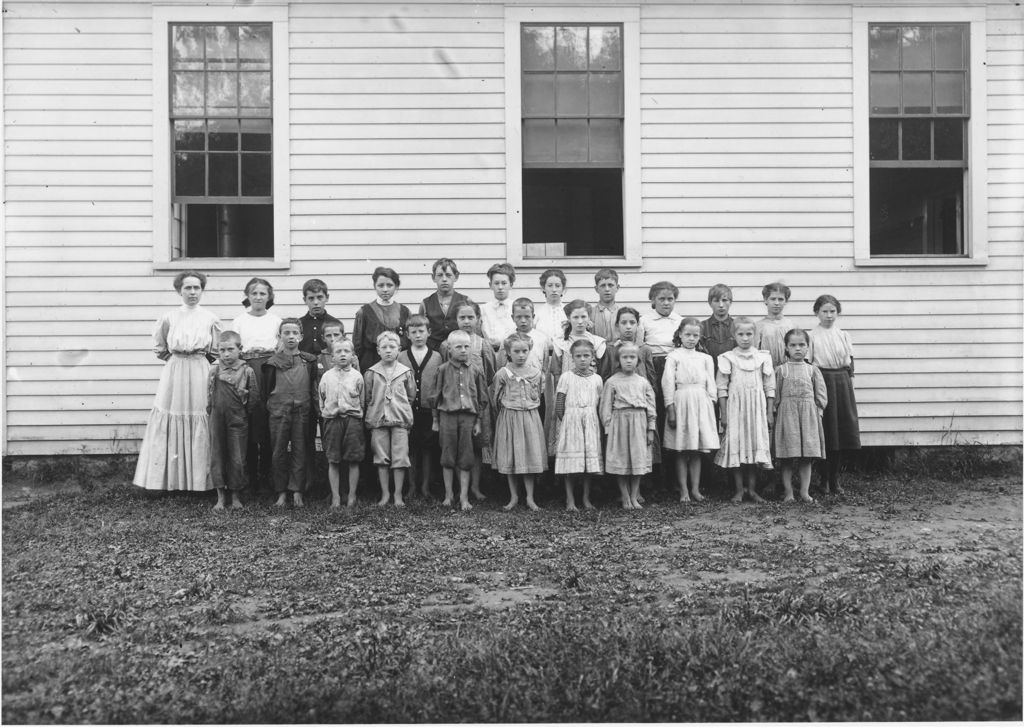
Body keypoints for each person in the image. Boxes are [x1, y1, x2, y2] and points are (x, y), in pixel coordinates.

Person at [133, 270, 222, 492]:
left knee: (200, 414)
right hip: (175, 371)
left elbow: (215, 351)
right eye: (187, 288)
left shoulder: (210, 318)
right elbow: (161, 347)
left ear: (202, 290)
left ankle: (200, 482)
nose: (192, 292)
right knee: (171, 415)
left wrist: (197, 360)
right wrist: (179, 360)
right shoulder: (169, 317)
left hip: (200, 370)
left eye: (197, 288)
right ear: (179, 291)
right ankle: (165, 482)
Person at [714, 317, 775, 503]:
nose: (745, 338)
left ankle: (753, 490)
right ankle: (739, 490)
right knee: (737, 446)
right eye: (741, 334)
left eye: (749, 334)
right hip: (735, 408)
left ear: (755, 335)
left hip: (756, 408)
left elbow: (769, 386)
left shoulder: (763, 357)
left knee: (754, 446)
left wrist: (769, 411)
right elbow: (721, 388)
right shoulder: (727, 358)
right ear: (734, 336)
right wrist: (723, 414)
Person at [440, 301, 496, 499]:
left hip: (476, 404)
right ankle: (455, 489)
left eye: (470, 317)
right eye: (462, 317)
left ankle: (474, 487)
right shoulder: (447, 344)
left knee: (475, 446)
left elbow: (489, 375)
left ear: (478, 320)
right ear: (456, 320)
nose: (466, 321)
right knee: (455, 446)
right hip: (453, 405)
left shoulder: (483, 344)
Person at [429, 330, 489, 510]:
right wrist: (435, 420)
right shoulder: (442, 370)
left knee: (466, 457)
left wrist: (478, 421)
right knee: (447, 456)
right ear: (449, 349)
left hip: (468, 419)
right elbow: (434, 397)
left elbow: (481, 398)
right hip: (447, 417)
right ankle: (448, 495)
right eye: (458, 347)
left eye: (466, 346)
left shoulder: (476, 370)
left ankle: (464, 497)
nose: (463, 350)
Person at [662, 317, 720, 502]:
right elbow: (668, 383)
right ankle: (683, 490)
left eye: (695, 335)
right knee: (681, 449)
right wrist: (670, 408)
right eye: (687, 334)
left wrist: (711, 405)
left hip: (700, 403)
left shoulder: (705, 358)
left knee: (696, 450)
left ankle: (695, 489)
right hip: (681, 401)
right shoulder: (674, 356)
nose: (691, 338)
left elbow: (711, 383)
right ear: (680, 334)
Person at [232, 277, 281, 493]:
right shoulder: (240, 320)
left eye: (263, 293)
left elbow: (279, 347)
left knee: (268, 419)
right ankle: (250, 477)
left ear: (269, 296)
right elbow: (235, 347)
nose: (259, 297)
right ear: (248, 296)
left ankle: (269, 475)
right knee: (250, 419)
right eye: (254, 293)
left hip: (269, 369)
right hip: (247, 368)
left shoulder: (275, 321)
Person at [808, 295, 861, 494]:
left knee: (840, 431)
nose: (829, 316)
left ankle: (835, 478)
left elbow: (850, 363)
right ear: (816, 313)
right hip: (823, 381)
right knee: (826, 431)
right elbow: (809, 364)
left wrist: (848, 381)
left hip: (842, 383)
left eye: (832, 311)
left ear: (837, 313)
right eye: (824, 311)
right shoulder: (812, 336)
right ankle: (823, 479)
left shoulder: (844, 335)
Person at [262, 318, 318, 507]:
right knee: (278, 451)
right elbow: (266, 391)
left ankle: (297, 491)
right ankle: (281, 492)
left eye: (295, 333)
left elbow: (312, 386)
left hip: (302, 411)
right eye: (286, 333)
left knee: (300, 450)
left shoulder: (309, 361)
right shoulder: (271, 363)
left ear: (301, 336)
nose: (291, 336)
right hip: (279, 411)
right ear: (280, 336)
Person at [492, 332, 546, 511]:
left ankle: (530, 497)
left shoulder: (536, 373)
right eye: (516, 351)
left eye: (524, 351)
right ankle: (514, 496)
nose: (521, 355)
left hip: (529, 418)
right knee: (511, 455)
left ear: (529, 350)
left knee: (528, 455)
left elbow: (538, 394)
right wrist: (506, 412)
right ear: (508, 352)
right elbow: (495, 398)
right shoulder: (503, 373)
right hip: (510, 418)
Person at [600, 342, 656, 510]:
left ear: (638, 360)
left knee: (638, 459)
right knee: (621, 459)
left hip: (639, 422)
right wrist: (608, 429)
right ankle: (624, 497)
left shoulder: (643, 381)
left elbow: (651, 406)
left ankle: (634, 496)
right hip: (619, 423)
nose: (629, 361)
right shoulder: (612, 382)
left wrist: (651, 428)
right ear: (618, 360)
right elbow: (605, 407)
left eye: (632, 357)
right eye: (625, 357)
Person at [363, 331, 417, 507]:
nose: (388, 351)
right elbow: (368, 395)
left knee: (400, 458)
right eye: (384, 347)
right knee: (381, 457)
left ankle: (398, 494)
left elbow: (411, 395)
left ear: (399, 349)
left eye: (392, 347)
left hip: (400, 420)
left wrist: (399, 409)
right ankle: (385, 494)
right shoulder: (371, 372)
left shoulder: (405, 372)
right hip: (378, 420)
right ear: (378, 350)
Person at [774, 328, 827, 503]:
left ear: (808, 347)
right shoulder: (781, 371)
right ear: (786, 348)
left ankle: (804, 492)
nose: (797, 349)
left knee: (806, 457)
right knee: (788, 457)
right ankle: (788, 492)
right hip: (787, 417)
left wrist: (817, 413)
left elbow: (821, 396)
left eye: (802, 345)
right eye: (793, 345)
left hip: (808, 417)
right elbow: (775, 396)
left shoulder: (812, 370)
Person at [208, 330, 259, 511]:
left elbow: (253, 399)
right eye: (222, 350)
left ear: (240, 349)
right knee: (217, 456)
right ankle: (221, 497)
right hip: (217, 419)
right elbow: (209, 398)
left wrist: (242, 415)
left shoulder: (247, 371)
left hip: (238, 420)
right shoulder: (214, 371)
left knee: (237, 458)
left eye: (230, 349)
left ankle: (236, 496)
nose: (226, 354)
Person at [554, 339, 604, 511]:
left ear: (592, 357)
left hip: (590, 422)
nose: (582, 359)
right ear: (572, 358)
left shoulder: (597, 379)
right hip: (571, 422)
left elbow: (600, 404)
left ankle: (586, 498)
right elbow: (559, 403)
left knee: (587, 464)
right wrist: (568, 421)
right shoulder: (566, 377)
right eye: (578, 356)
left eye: (586, 356)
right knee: (571, 464)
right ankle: (570, 500)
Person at [398, 315, 441, 499]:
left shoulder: (437, 357)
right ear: (407, 334)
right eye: (413, 332)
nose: (417, 336)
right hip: (407, 410)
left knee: (427, 449)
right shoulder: (401, 356)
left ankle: (425, 486)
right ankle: (412, 486)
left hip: (428, 410)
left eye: (421, 331)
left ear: (429, 333)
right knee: (410, 449)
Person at [319, 339, 365, 509]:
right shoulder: (326, 376)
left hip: (352, 421)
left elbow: (362, 400)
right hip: (332, 421)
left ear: (353, 356)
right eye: (338, 352)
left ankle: (352, 495)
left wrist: (355, 415)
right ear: (332, 357)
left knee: (353, 459)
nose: (343, 354)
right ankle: (336, 497)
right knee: (333, 459)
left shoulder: (357, 376)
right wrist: (330, 413)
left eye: (347, 351)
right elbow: (322, 399)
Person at [352, 266, 411, 372]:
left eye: (389, 285)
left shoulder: (404, 311)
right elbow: (357, 344)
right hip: (371, 363)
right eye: (381, 285)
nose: (385, 289)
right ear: (374, 286)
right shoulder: (364, 312)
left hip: (398, 364)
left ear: (396, 286)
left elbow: (409, 342)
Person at [420, 258, 471, 351]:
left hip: (458, 352)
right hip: (433, 352)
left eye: (448, 275)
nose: (444, 279)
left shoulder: (465, 301)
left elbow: (472, 330)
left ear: (456, 276)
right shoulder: (426, 303)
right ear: (433, 277)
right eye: (439, 275)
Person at [755, 282, 795, 368]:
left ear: (786, 301)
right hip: (766, 370)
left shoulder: (790, 325)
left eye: (780, 299)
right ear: (766, 300)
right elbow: (754, 353)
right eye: (773, 299)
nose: (777, 303)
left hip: (788, 370)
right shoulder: (759, 326)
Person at [298, 278, 342, 356]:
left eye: (319, 297)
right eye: (311, 298)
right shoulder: (298, 324)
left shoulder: (335, 324)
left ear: (327, 297)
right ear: (305, 300)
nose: (316, 302)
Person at [587, 268, 633, 342]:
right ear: (596, 289)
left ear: (617, 288)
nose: (607, 289)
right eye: (603, 286)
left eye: (610, 285)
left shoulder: (624, 314)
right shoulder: (589, 314)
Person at [699, 283, 735, 375]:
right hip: (708, 375)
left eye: (724, 300)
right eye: (716, 301)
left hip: (733, 376)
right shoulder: (701, 327)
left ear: (730, 302)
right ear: (710, 303)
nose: (721, 305)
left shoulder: (738, 327)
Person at [480, 262, 517, 351]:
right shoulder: (483, 309)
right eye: (496, 283)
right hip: (489, 353)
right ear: (490, 285)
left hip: (511, 354)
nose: (500, 287)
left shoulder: (516, 307)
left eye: (504, 283)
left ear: (511, 285)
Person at [534, 269, 568, 342]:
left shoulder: (569, 311)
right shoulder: (537, 313)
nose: (554, 289)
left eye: (558, 286)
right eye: (550, 286)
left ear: (563, 289)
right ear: (543, 288)